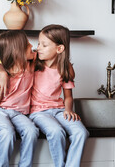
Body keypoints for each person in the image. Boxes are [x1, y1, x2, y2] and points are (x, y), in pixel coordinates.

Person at [29, 24, 89, 167]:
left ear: (59, 49)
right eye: (38, 43)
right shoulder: (33, 62)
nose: (38, 48)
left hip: (59, 109)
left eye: (44, 45)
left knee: (81, 133)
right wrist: (1, 74)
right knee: (56, 132)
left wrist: (68, 110)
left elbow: (68, 96)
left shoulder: (66, 67)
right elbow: (3, 64)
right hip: (38, 112)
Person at [0, 30, 39, 167]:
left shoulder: (31, 65)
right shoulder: (5, 77)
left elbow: (45, 53)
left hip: (20, 114)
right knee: (7, 133)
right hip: (2, 112)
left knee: (32, 131)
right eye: (28, 44)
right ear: (17, 51)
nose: (32, 46)